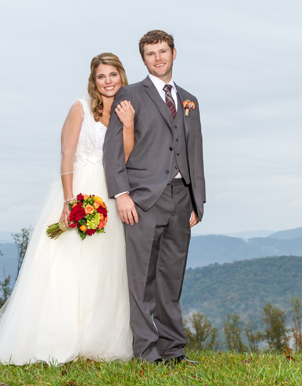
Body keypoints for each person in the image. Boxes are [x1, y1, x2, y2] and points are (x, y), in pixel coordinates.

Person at [0, 53, 135, 365]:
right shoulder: (79, 108)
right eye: (101, 76)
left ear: (122, 76)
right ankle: (57, 336)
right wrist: (69, 202)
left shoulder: (126, 110)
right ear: (93, 81)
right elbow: (67, 155)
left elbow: (128, 158)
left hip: (110, 192)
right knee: (65, 263)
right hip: (78, 188)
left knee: (104, 266)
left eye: (113, 75)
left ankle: (98, 340)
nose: (108, 81)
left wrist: (129, 124)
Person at [103, 30, 206, 364]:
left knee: (171, 280)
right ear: (143, 59)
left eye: (163, 51)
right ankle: (147, 353)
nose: (157, 58)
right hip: (143, 200)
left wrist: (196, 200)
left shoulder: (190, 100)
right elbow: (113, 151)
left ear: (175, 53)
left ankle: (174, 351)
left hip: (181, 199)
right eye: (150, 53)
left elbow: (195, 152)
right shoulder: (129, 95)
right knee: (141, 280)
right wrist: (121, 194)